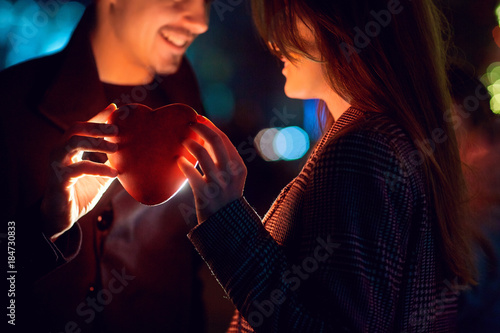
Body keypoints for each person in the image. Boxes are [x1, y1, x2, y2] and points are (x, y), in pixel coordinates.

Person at [177, 0, 477, 331]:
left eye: (289, 15)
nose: (275, 41)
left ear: (341, 21)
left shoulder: (362, 150)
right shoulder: (388, 139)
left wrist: (226, 217)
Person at [0, 0, 210, 331]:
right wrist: (41, 229)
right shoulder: (10, 104)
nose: (201, 21)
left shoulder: (190, 112)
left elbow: (189, 276)